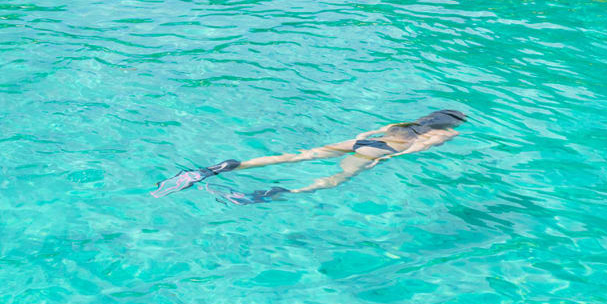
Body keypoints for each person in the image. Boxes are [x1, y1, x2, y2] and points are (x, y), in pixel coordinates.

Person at [152, 109, 467, 204]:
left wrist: (364, 145)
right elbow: (414, 149)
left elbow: (377, 130)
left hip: (364, 139)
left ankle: (226, 167)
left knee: (294, 157)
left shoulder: (408, 122)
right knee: (334, 180)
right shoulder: (443, 134)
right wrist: (380, 160)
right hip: (382, 149)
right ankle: (282, 192)